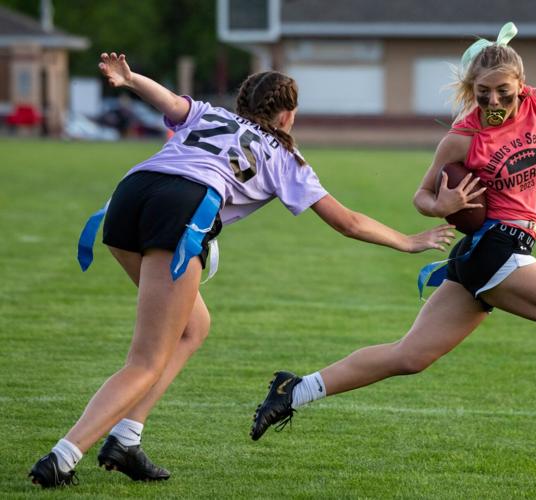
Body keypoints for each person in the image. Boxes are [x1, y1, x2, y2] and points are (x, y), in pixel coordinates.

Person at [27, 52, 455, 489]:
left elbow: (170, 102)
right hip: (180, 210)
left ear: (242, 103)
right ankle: (63, 456)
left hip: (127, 198)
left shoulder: (211, 115)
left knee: (193, 327)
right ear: (288, 115)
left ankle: (126, 438)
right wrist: (408, 240)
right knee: (146, 359)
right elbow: (346, 221)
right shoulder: (286, 155)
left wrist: (132, 77)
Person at [250, 22, 536, 472]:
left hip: (490, 253)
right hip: (497, 247)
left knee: (410, 355)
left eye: (503, 91)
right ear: (471, 89)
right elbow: (421, 197)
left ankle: (294, 391)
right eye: (483, 93)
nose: (494, 102)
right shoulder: (463, 136)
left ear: (521, 84)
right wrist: (441, 204)